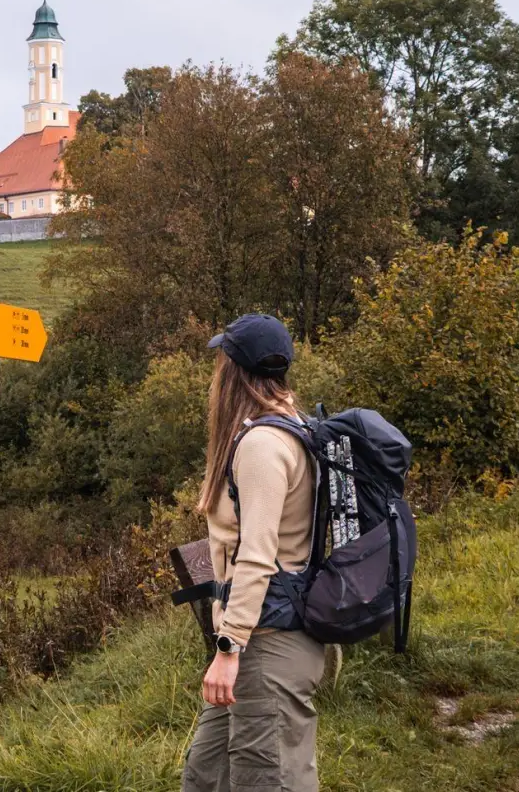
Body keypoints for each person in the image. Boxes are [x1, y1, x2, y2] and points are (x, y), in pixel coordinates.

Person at [183, 313, 328, 792]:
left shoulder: (263, 444)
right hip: (262, 640)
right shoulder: (293, 428)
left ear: (234, 372)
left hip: (267, 644)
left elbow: (257, 555)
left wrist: (228, 647)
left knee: (267, 781)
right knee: (206, 776)